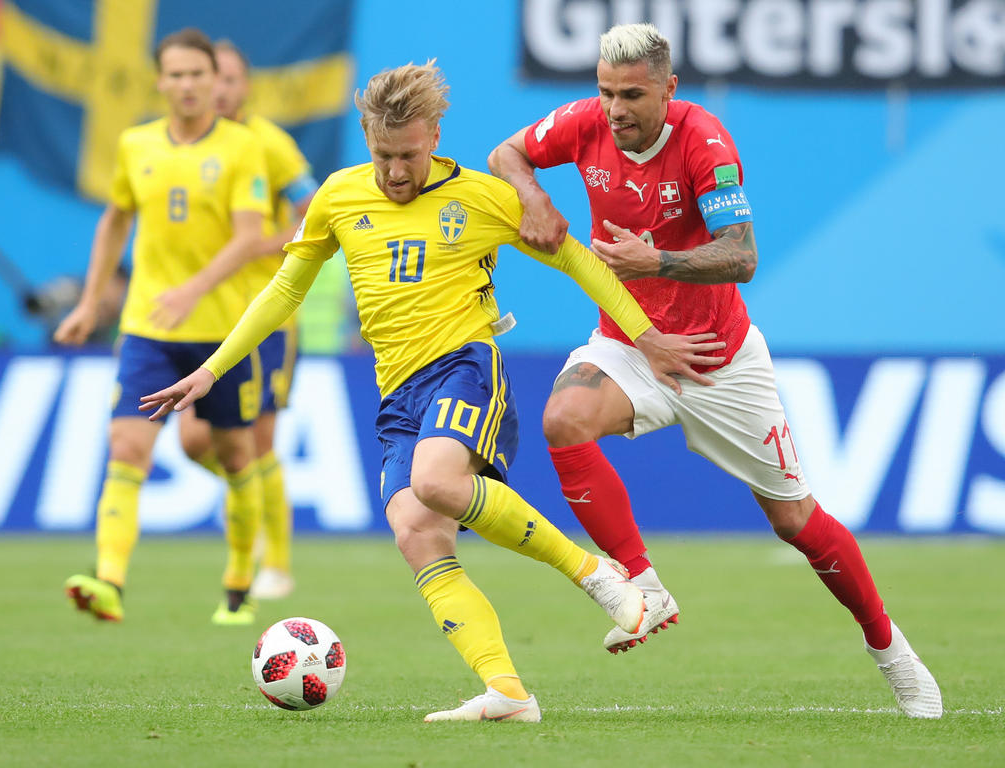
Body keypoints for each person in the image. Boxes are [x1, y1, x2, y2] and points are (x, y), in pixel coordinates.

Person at [139, 61, 727, 722]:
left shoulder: (481, 198)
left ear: (436, 135)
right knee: (417, 532)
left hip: (465, 365)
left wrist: (646, 335)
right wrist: (213, 368)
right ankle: (507, 692)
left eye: (409, 155)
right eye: (383, 155)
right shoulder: (337, 197)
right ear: (367, 139)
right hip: (398, 394)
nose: (395, 171)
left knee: (436, 483)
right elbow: (284, 291)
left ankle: (598, 577)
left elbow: (579, 262)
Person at [487, 22, 942, 718]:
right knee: (563, 419)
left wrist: (657, 261)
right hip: (629, 345)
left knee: (795, 520)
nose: (616, 109)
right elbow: (507, 152)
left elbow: (743, 253)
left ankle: (891, 650)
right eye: (607, 92)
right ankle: (645, 584)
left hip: (717, 359)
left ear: (669, 90)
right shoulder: (584, 124)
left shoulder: (705, 141)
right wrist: (534, 196)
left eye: (633, 94)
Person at [55, 27, 271, 626]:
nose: (186, 85)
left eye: (197, 74)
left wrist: (195, 289)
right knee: (126, 450)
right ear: (160, 81)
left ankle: (237, 585)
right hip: (148, 329)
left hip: (223, 333)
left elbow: (251, 236)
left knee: (234, 456)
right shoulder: (135, 145)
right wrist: (90, 302)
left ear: (214, 80)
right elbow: (114, 221)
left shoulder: (240, 147)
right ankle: (109, 582)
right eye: (174, 74)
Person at [177, 39, 321, 601]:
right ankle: (256, 505)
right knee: (193, 440)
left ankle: (278, 565)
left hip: (264, 317)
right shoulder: (191, 147)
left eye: (231, 80)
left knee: (259, 441)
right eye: (214, 79)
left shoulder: (266, 143)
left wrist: (270, 242)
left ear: (245, 87)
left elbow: (310, 206)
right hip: (208, 317)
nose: (219, 89)